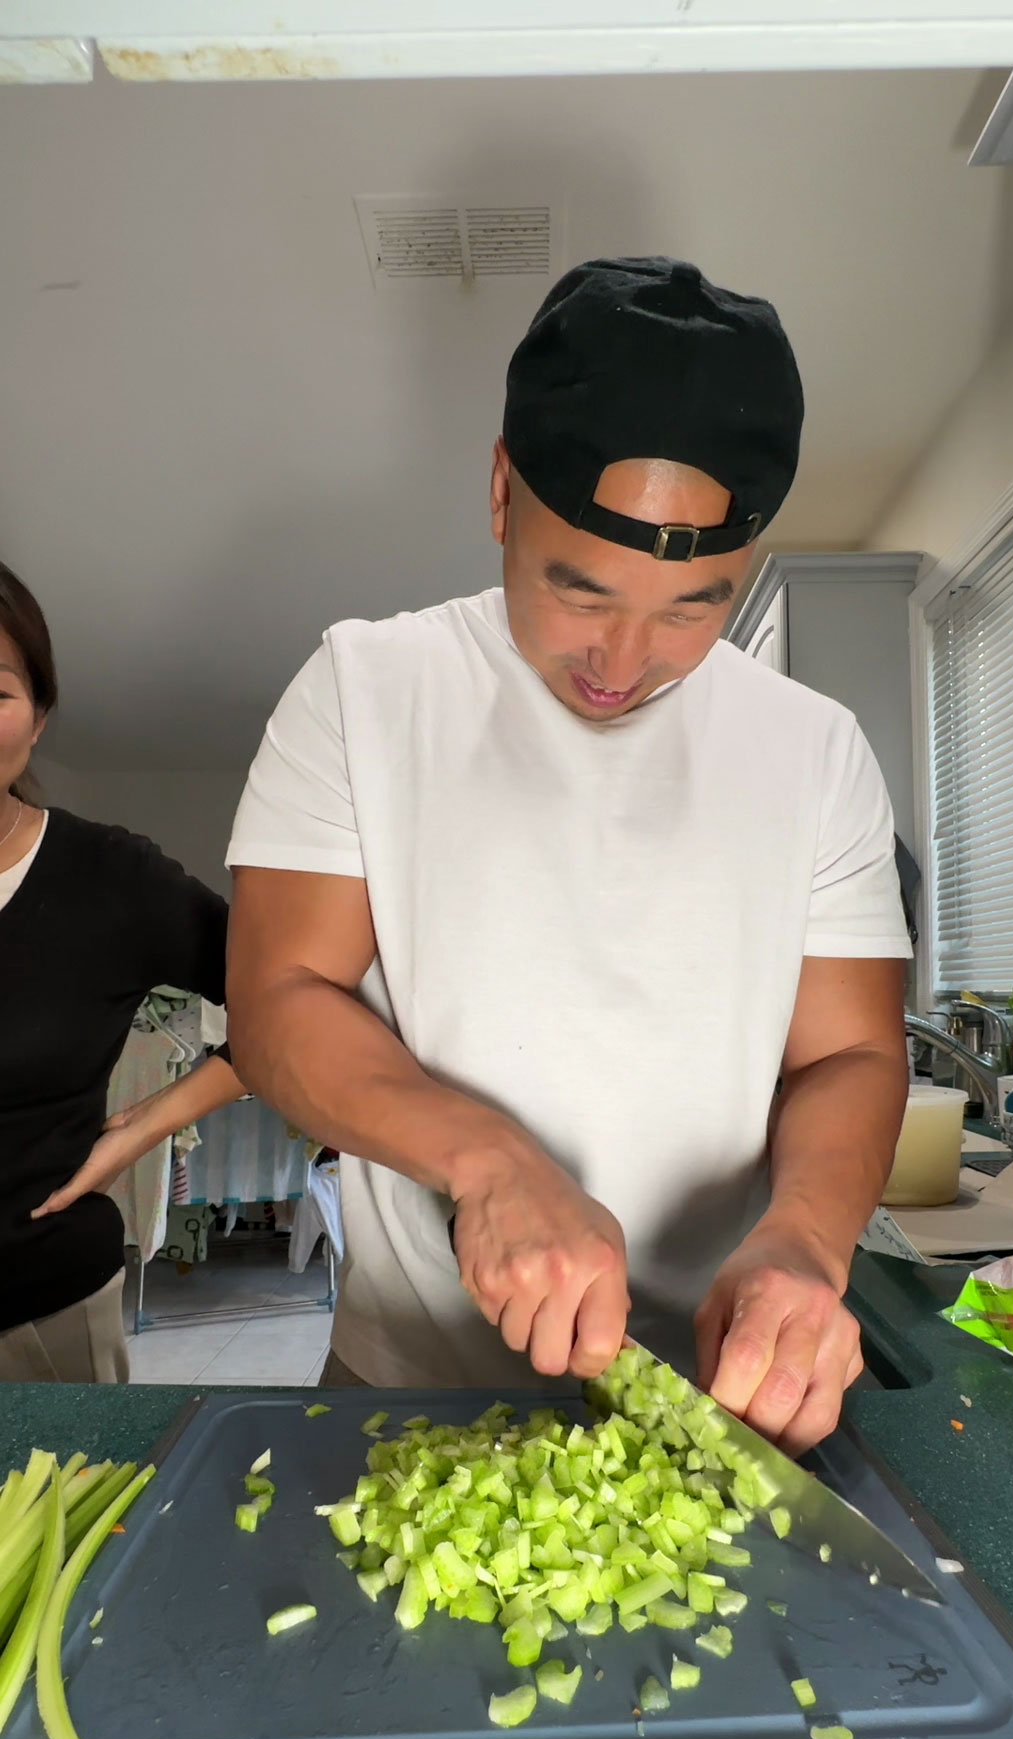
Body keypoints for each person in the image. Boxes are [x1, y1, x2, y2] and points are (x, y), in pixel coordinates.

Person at [225, 256, 911, 1453]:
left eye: (695, 607)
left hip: (712, 1401)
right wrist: (486, 1163)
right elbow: (278, 1000)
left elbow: (852, 1049)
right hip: (407, 1383)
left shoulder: (818, 753)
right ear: (502, 493)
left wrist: (804, 1238)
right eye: (578, 591)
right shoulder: (364, 690)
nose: (623, 659)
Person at [0, 564, 246, 1383]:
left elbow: (299, 1005)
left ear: (38, 721)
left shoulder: (112, 879)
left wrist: (147, 1127)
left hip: (40, 1314)